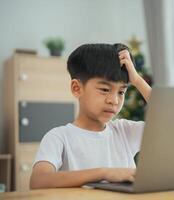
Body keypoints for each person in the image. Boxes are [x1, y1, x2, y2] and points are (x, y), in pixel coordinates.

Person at [30, 43, 152, 189]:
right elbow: (38, 181)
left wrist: (137, 80)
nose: (114, 100)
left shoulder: (125, 131)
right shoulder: (59, 137)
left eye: (121, 92)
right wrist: (104, 173)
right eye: (105, 89)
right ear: (77, 88)